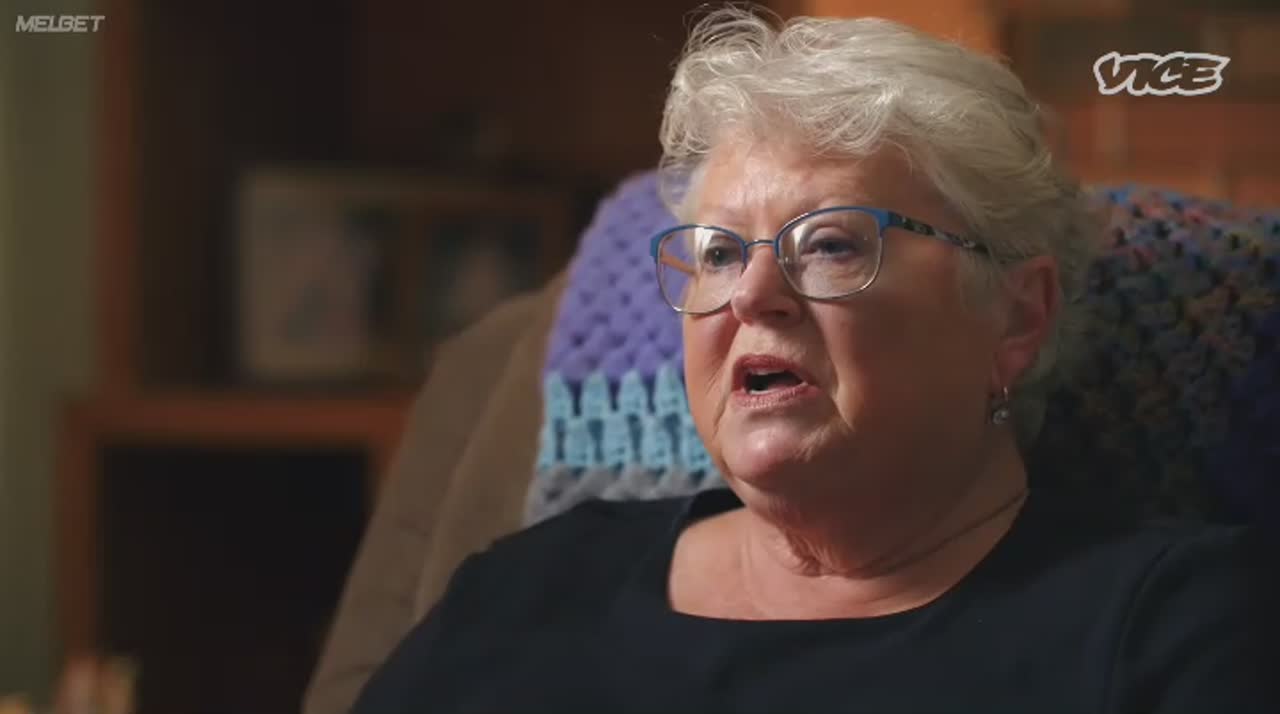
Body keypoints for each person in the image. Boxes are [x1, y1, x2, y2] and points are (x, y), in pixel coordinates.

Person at [350, 7, 1276, 713]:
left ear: (1016, 317)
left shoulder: (1172, 626)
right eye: (719, 253)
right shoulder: (525, 588)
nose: (752, 294)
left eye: (830, 243)